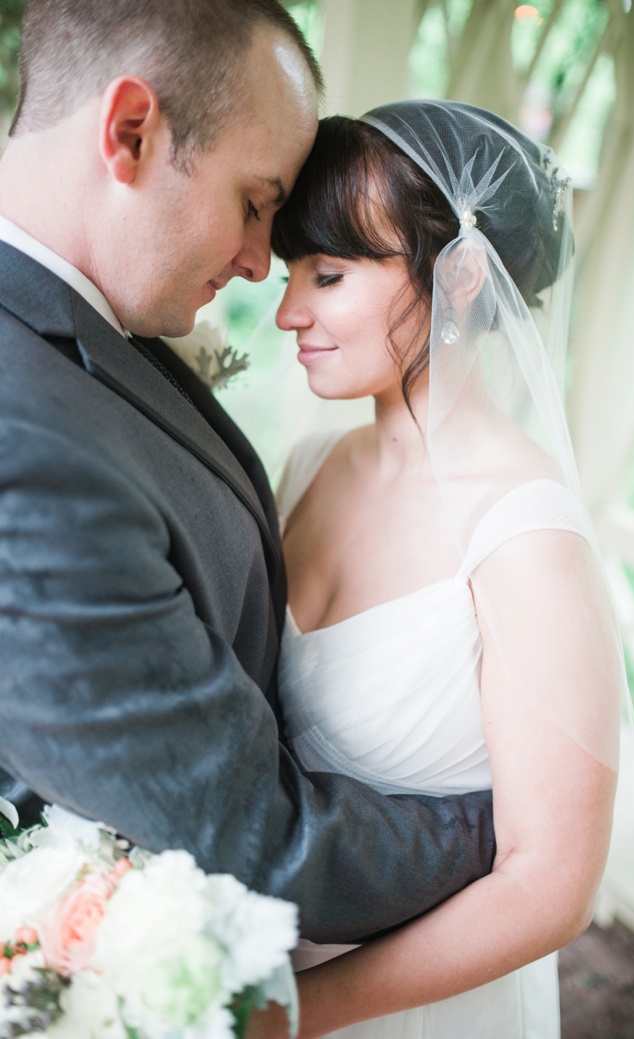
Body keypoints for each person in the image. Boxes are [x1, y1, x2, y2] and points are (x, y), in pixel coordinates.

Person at [0, 0, 497, 947]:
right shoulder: (22, 441)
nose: (261, 261)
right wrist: (513, 826)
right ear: (131, 132)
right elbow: (250, 836)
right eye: (256, 201)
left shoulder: (89, 316)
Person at [251, 99, 621, 1038]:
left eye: (328, 273)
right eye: (294, 270)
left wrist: (299, 1012)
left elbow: (550, 885)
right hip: (259, 950)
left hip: (413, 1010)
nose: (290, 309)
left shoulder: (523, 534)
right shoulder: (307, 468)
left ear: (457, 274)